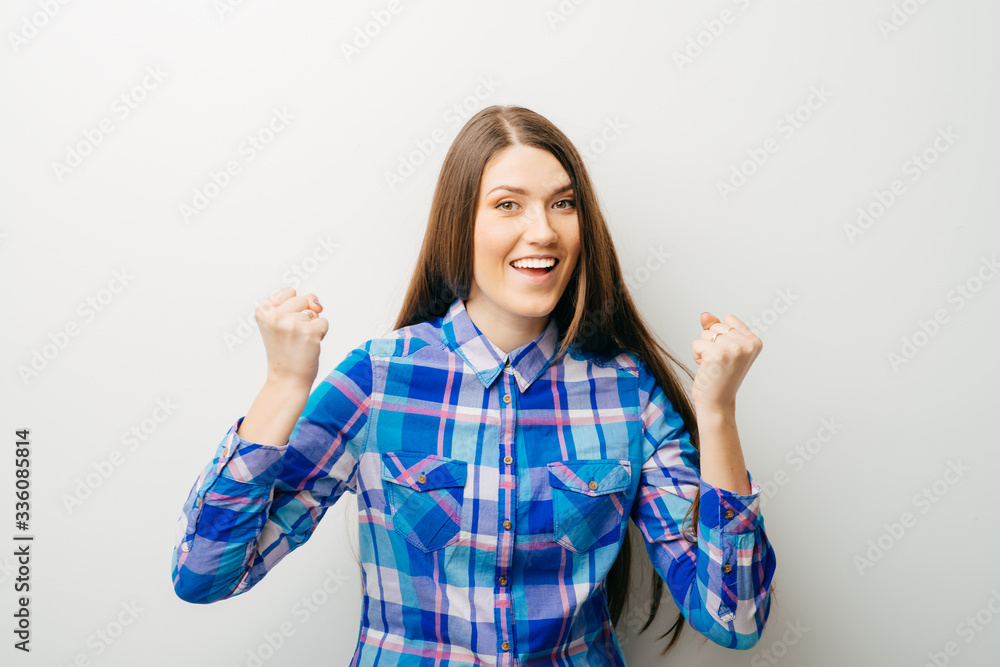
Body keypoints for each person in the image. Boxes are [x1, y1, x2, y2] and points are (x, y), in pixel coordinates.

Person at [171, 105, 776, 665]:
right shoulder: (378, 381)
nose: (543, 231)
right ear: (460, 225)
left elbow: (735, 617)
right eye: (508, 204)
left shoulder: (628, 395)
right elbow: (205, 574)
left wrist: (718, 413)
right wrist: (283, 385)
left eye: (563, 204)